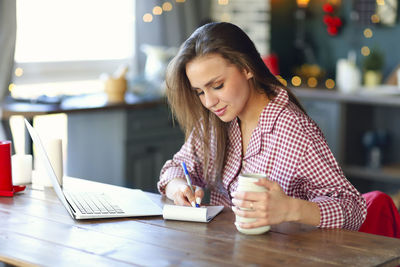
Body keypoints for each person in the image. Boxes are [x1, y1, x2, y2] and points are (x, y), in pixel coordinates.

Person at [157, 22, 367, 230]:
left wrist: (290, 209)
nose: (209, 102)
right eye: (200, 92)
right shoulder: (215, 122)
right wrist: (179, 188)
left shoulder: (292, 130)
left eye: (217, 85)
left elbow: (354, 209)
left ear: (247, 68)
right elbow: (175, 167)